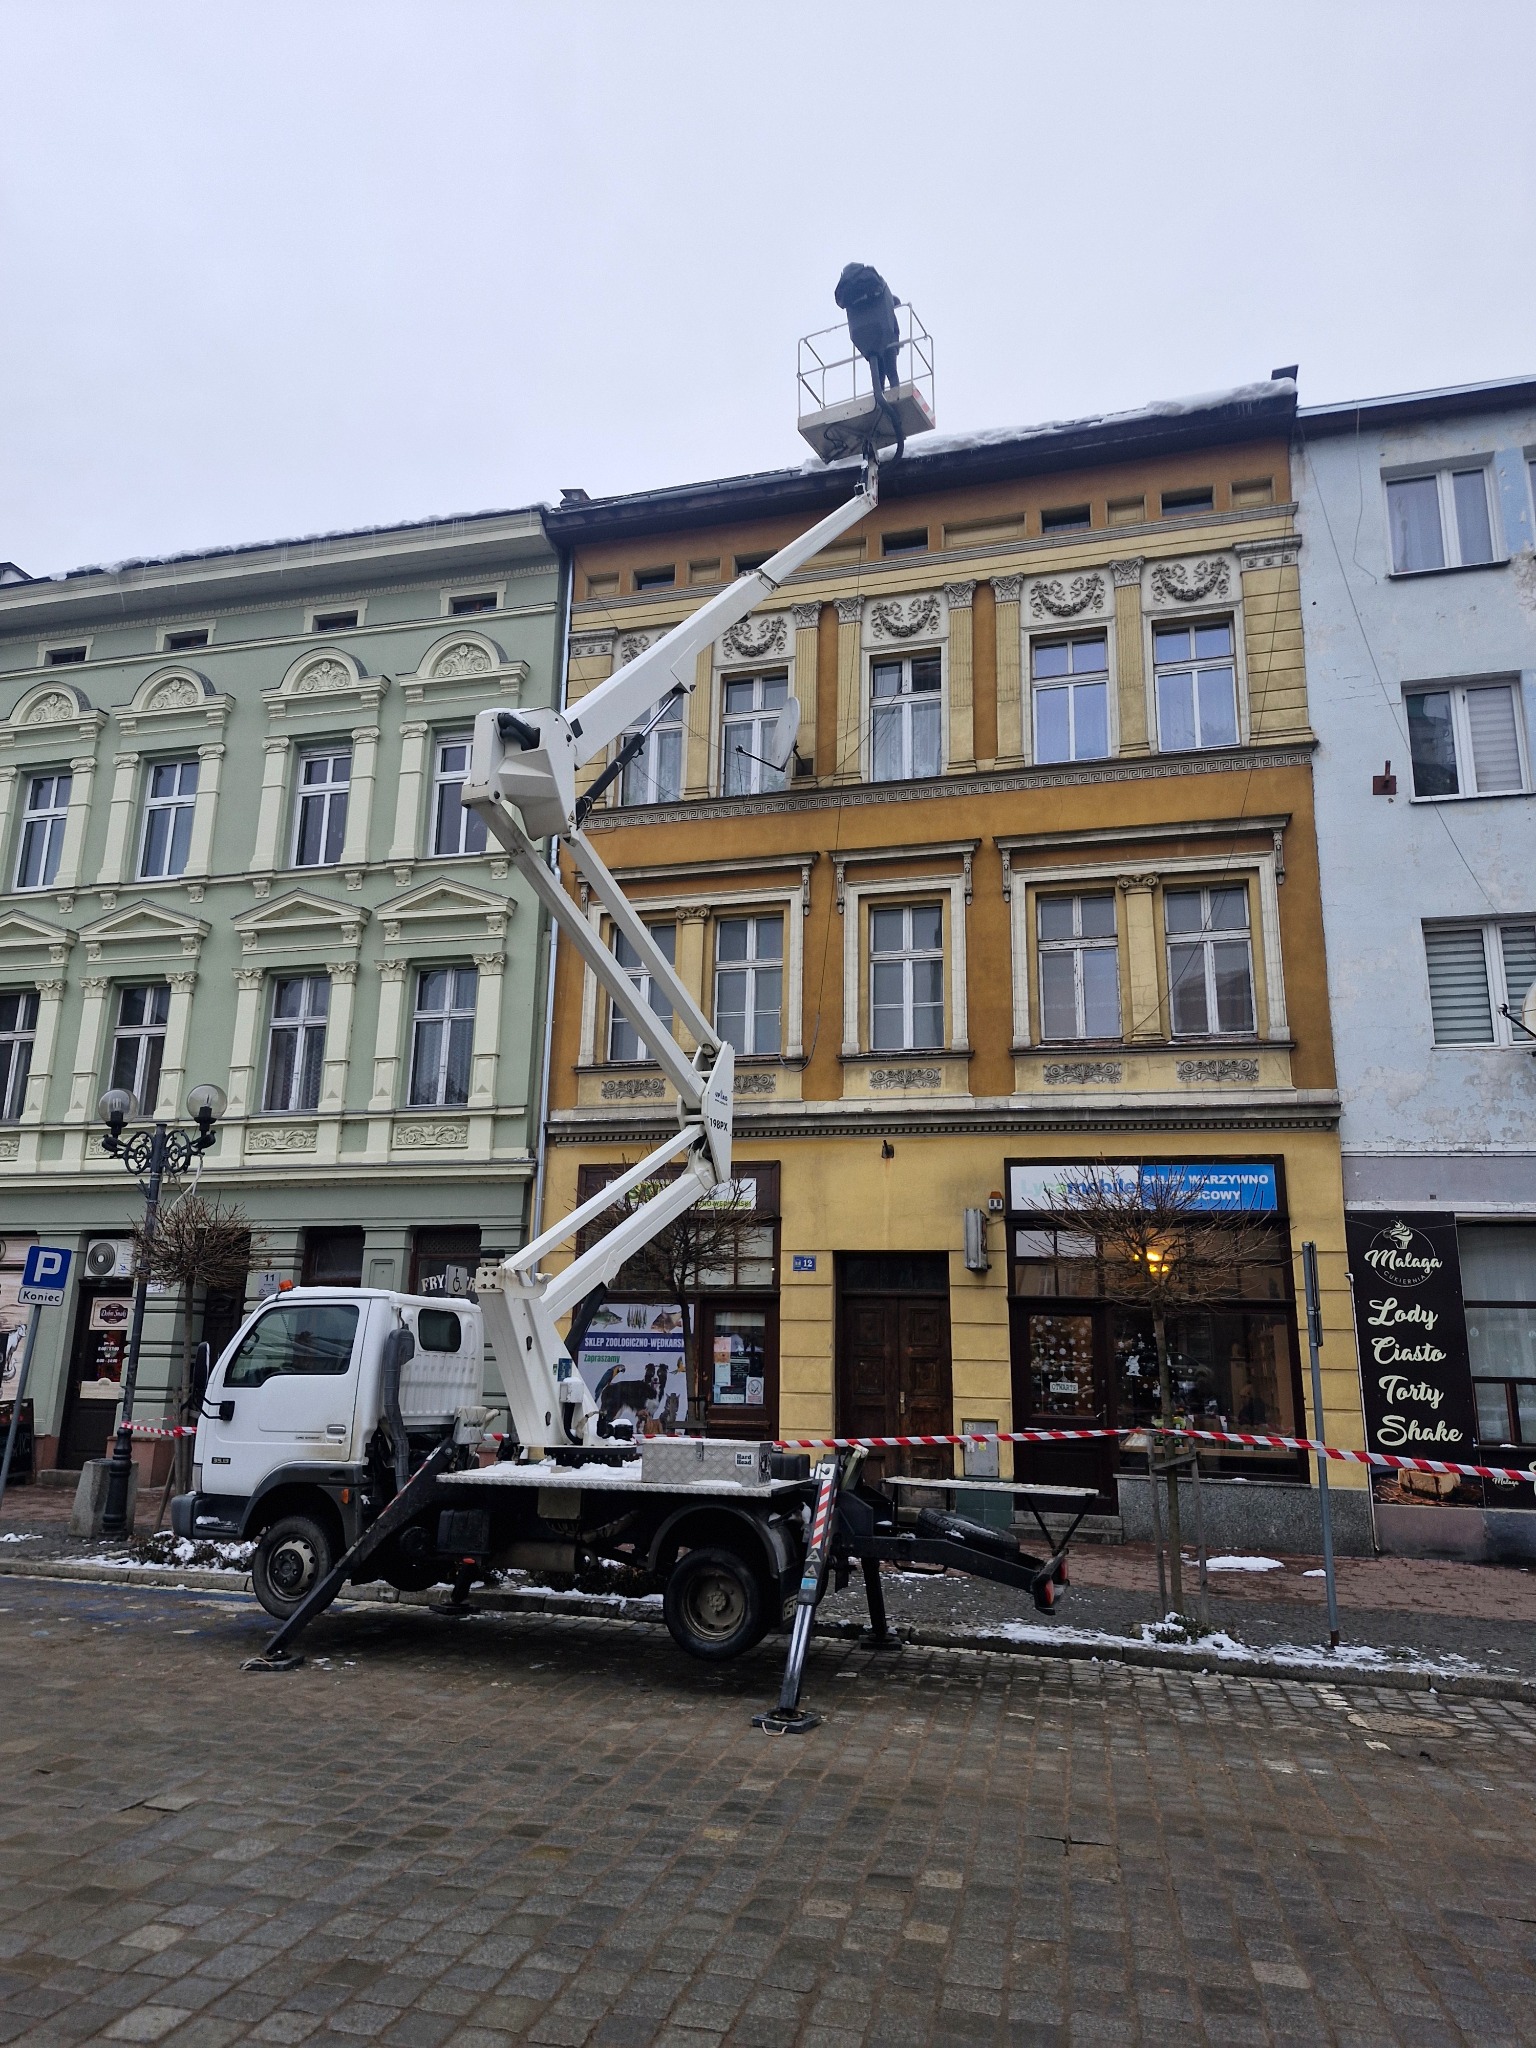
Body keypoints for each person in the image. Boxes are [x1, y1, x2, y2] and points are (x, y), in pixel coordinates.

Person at [833, 262, 902, 398]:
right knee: (892, 371)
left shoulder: (850, 293)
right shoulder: (879, 286)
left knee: (878, 371)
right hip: (886, 336)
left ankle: (879, 395)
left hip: (864, 336)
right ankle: (895, 392)